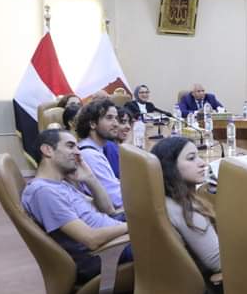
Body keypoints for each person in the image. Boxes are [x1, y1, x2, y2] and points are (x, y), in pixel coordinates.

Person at [22, 129, 132, 283]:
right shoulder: (44, 192)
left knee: (160, 213)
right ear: (47, 150)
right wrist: (133, 228)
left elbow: (108, 210)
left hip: (114, 236)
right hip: (105, 253)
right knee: (164, 238)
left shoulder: (60, 184)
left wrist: (90, 178)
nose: (78, 153)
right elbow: (91, 239)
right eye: (70, 146)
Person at [151, 137, 220, 275]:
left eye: (199, 156)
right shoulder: (186, 209)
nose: (203, 163)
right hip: (213, 283)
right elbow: (217, 262)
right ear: (170, 167)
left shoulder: (162, 198)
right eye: (191, 158)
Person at [75, 99, 124, 208]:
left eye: (116, 118)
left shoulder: (96, 149)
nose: (116, 124)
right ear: (92, 124)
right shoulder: (91, 156)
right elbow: (117, 199)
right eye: (109, 118)